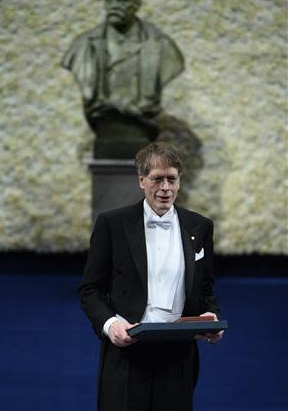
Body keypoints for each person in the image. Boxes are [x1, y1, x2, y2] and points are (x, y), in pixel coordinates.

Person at [78, 142, 223, 411]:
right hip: (127, 350)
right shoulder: (112, 224)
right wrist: (111, 325)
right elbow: (91, 290)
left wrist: (209, 316)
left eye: (172, 179)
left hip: (178, 352)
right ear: (141, 180)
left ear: (180, 181)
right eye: (157, 179)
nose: (165, 188)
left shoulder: (200, 226)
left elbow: (204, 287)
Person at [61, 0, 184, 139]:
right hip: (105, 125)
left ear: (136, 5)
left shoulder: (161, 46)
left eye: (121, 0)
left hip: (141, 130)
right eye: (109, 0)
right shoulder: (84, 45)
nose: (113, 6)